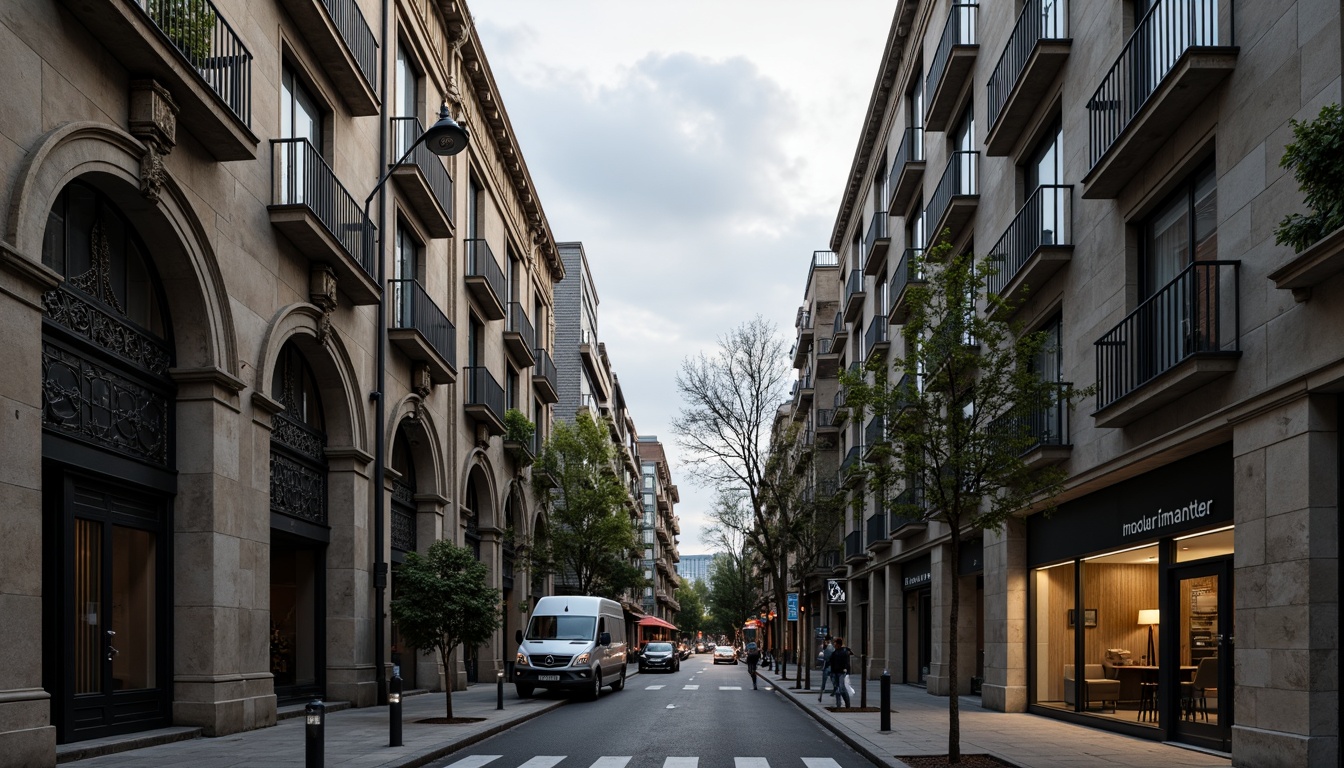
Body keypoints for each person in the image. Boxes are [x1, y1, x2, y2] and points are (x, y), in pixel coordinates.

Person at [830, 636, 852, 708]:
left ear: (839, 644)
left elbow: (846, 662)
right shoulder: (834, 653)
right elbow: (832, 663)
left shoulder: (843, 652)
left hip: (841, 672)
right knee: (837, 689)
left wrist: (846, 670)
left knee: (842, 688)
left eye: (835, 643)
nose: (834, 645)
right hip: (835, 672)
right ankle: (838, 705)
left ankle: (847, 704)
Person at [817, 635, 834, 701]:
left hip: (827, 666)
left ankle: (820, 696)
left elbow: (825, 657)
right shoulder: (832, 648)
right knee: (833, 681)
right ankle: (833, 692)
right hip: (830, 667)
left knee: (824, 682)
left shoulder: (828, 648)